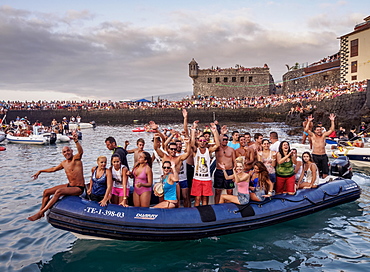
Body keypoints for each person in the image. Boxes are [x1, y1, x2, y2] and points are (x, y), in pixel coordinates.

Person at [27, 132, 85, 221]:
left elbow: (81, 152)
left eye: (68, 151)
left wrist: (76, 141)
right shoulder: (64, 163)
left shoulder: (76, 159)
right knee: (46, 192)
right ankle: (41, 212)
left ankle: (41, 212)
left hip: (78, 188)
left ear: (72, 151)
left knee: (58, 192)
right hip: (70, 185)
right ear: (62, 154)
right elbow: (53, 169)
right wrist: (40, 171)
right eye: (64, 152)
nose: (67, 153)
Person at [190, 122, 220, 206]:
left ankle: (205, 213)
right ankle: (197, 213)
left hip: (206, 178)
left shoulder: (208, 150)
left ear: (206, 142)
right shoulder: (196, 151)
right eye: (200, 141)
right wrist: (193, 130)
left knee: (205, 198)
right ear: (198, 142)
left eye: (204, 141)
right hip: (197, 178)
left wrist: (215, 132)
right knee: (197, 198)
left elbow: (217, 145)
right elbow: (192, 144)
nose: (202, 142)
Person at [305, 114, 336, 178]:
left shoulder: (323, 135)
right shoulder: (313, 136)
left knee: (325, 173)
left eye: (320, 130)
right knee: (316, 172)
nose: (319, 131)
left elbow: (331, 130)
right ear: (315, 131)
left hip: (323, 155)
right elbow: (306, 130)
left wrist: (332, 121)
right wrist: (309, 121)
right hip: (315, 155)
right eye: (318, 130)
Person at [214, 134, 236, 204]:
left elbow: (234, 161)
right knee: (217, 191)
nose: (224, 141)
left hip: (229, 171)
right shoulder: (217, 149)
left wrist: (235, 173)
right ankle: (216, 206)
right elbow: (216, 140)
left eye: (226, 139)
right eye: (223, 139)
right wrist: (221, 133)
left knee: (230, 191)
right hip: (219, 171)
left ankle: (229, 206)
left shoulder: (231, 150)